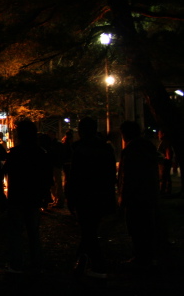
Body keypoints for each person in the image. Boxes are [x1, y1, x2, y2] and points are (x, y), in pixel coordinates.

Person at [67, 117, 116, 278]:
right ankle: (82, 261)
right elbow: (110, 175)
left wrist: (71, 197)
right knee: (90, 229)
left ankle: (97, 265)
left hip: (84, 195)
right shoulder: (106, 149)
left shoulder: (79, 149)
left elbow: (74, 177)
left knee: (88, 231)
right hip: (101, 194)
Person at [4, 120, 53, 273]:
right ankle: (36, 262)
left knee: (16, 232)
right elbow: (47, 177)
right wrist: (45, 196)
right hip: (33, 197)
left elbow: (4, 171)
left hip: (17, 197)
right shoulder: (41, 153)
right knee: (33, 232)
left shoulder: (15, 153)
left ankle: (16, 263)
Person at [118, 121, 160, 270]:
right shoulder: (148, 146)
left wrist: (122, 198)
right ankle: (149, 257)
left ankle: (141, 258)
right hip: (149, 194)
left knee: (137, 228)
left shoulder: (131, 150)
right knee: (148, 227)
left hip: (135, 197)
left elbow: (128, 177)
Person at [157, 130, 174, 197]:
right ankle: (166, 191)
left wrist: (164, 158)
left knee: (164, 177)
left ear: (163, 134)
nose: (158, 135)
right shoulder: (165, 142)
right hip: (165, 162)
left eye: (159, 134)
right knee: (165, 177)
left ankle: (164, 191)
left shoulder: (165, 142)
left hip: (165, 162)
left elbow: (168, 154)